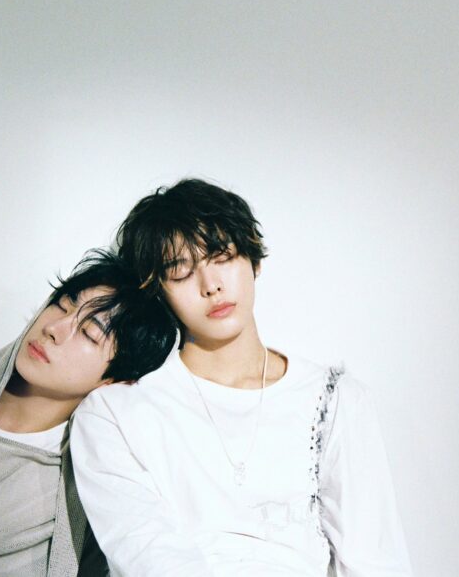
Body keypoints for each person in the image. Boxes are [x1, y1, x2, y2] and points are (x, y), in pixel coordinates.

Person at [71, 178, 412, 576]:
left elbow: (375, 562)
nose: (211, 285)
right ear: (158, 291)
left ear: (254, 260)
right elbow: (148, 556)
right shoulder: (116, 412)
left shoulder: (335, 400)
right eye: (180, 272)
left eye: (222, 257)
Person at [0, 249, 178, 576]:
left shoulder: (84, 486)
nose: (54, 328)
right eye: (62, 305)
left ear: (116, 380)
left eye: (89, 333)